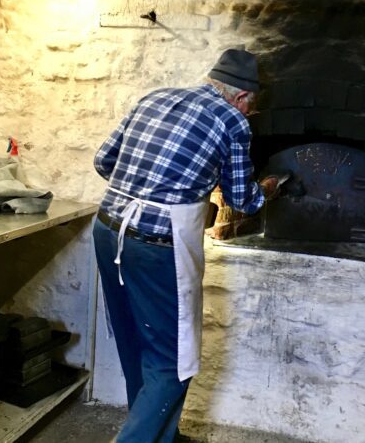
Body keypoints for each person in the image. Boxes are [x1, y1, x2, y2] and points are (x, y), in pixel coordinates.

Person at [92, 49, 278, 443]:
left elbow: (104, 161)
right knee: (174, 361)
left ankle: (163, 437)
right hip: (156, 244)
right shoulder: (232, 121)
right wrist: (268, 190)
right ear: (242, 98)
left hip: (107, 228)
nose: (249, 114)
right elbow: (243, 200)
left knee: (136, 342)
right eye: (252, 107)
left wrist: (147, 189)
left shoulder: (155, 97)